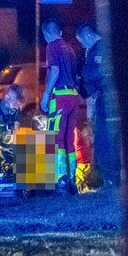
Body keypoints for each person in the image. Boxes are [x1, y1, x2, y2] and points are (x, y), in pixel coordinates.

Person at [76, 23, 120, 188]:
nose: (82, 45)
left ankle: (111, 180)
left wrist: (83, 73)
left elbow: (93, 75)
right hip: (107, 99)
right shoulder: (108, 45)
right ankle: (113, 179)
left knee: (104, 141)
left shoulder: (98, 49)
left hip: (106, 100)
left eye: (81, 41)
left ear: (88, 36)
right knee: (109, 140)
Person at [40, 18, 80, 194]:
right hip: (73, 97)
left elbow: (54, 70)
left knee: (55, 138)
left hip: (60, 97)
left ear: (46, 34)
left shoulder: (52, 46)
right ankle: (73, 181)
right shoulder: (69, 48)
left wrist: (46, 95)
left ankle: (60, 180)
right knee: (69, 140)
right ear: (60, 32)